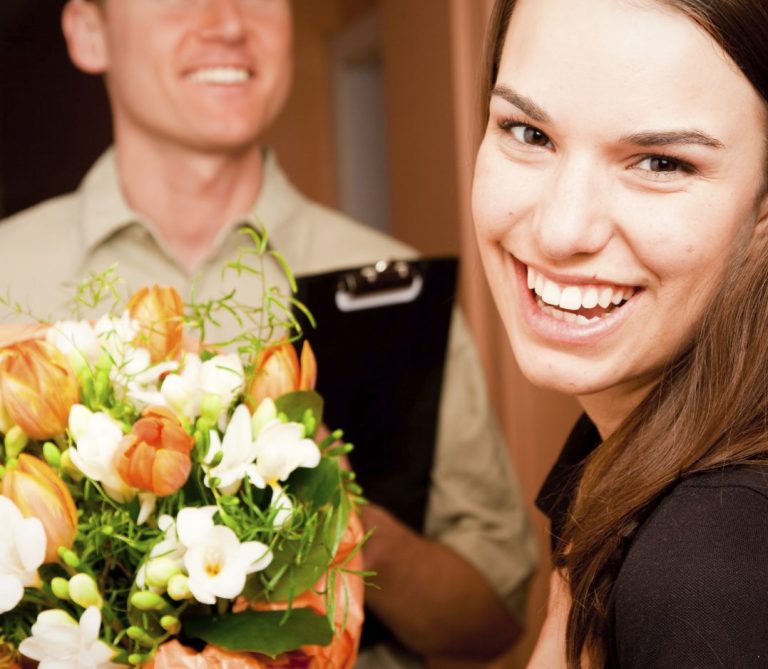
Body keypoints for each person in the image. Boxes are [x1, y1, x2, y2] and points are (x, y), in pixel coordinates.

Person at [0, 1, 538, 667]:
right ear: (88, 31)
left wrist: (339, 523)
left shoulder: (392, 291)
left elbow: (493, 621)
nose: (229, 21)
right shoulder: (6, 274)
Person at [472, 0, 768, 666]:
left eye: (661, 163)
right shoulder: (617, 444)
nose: (560, 231)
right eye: (528, 133)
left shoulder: (710, 567)